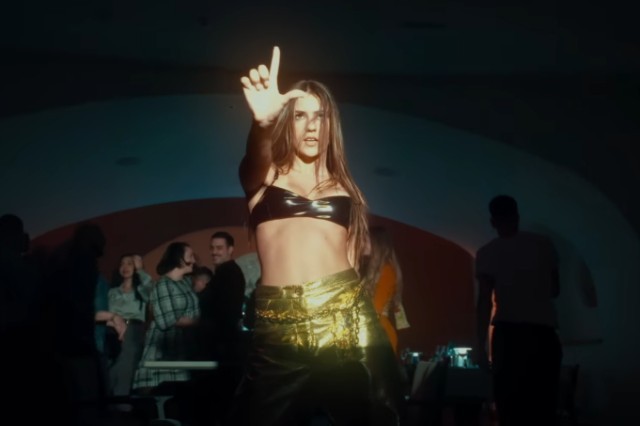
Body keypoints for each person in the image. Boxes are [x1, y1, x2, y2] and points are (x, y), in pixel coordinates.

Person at [229, 46, 400, 426]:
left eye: (320, 116)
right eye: (300, 115)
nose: (311, 126)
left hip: (347, 314)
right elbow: (254, 159)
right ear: (287, 122)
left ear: (330, 124)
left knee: (379, 412)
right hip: (279, 321)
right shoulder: (266, 176)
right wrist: (261, 124)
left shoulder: (346, 188)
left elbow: (352, 256)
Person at [475, 195, 562, 426]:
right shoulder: (543, 244)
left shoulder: (487, 253)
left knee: (510, 407)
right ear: (517, 216)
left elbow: (484, 301)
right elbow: (555, 290)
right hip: (543, 334)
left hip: (509, 336)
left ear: (493, 222)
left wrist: (480, 344)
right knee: (543, 405)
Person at [132, 242, 200, 393]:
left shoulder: (185, 283)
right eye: (190, 256)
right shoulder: (163, 284)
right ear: (179, 259)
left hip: (181, 350)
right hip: (164, 352)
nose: (194, 260)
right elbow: (167, 321)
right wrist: (200, 322)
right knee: (163, 396)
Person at [359, 226, 410, 355]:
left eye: (366, 240)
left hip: (379, 335)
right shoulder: (372, 272)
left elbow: (375, 307)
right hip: (373, 332)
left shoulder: (387, 270)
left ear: (378, 244)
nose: (361, 243)